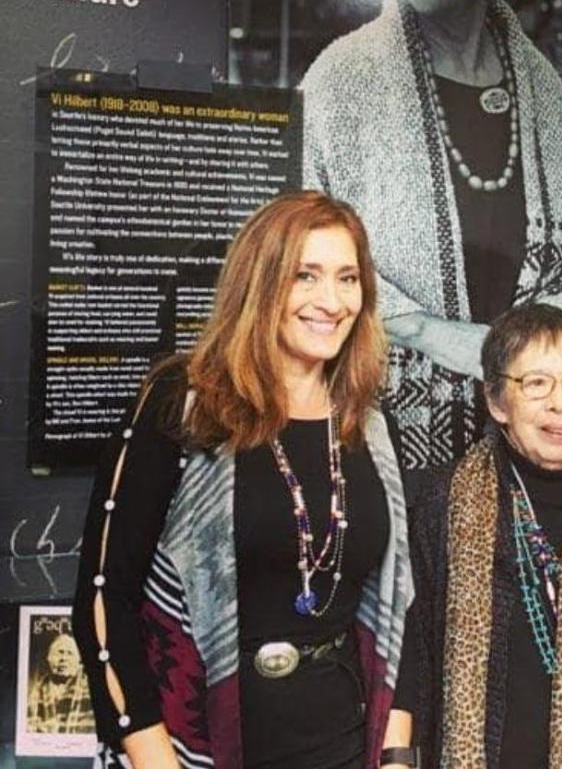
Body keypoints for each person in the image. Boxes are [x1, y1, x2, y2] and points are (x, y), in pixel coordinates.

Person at [301, 0, 562, 474]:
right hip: (376, 431)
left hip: (525, 430)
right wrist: (424, 329)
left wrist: (536, 325)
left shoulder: (539, 86)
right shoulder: (341, 79)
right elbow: (294, 245)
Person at [72, 192, 414, 769]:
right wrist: (156, 760)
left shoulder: (373, 425)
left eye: (348, 278)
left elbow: (401, 602)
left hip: (348, 744)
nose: (331, 301)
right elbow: (105, 599)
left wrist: (397, 756)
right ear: (260, 282)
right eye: (305, 275)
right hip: (199, 746)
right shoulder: (183, 402)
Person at [395, 303, 562, 767]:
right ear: (498, 401)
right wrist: (397, 758)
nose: (560, 403)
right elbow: (415, 652)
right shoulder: (441, 500)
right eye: (537, 384)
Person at [27, 632, 95, 735]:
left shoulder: (91, 687)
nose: (64, 659)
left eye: (69, 653)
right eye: (60, 652)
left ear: (79, 660)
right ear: (49, 658)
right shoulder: (38, 688)